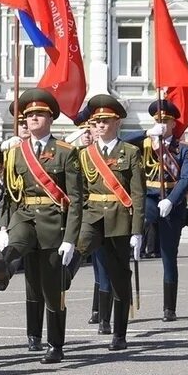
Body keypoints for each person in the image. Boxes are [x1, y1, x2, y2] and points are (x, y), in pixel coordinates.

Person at [0, 90, 82, 362]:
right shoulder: (15, 152)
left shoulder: (66, 152)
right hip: (24, 216)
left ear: (50, 118)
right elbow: (9, 194)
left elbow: (76, 198)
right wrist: (3, 228)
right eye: (28, 116)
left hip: (53, 223)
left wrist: (71, 238)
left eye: (38, 114)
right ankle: (2, 266)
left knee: (52, 289)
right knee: (17, 245)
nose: (32, 119)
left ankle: (55, 345)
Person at [73, 93, 145, 350]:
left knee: (119, 276)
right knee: (78, 246)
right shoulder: (84, 154)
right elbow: (78, 191)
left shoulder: (130, 152)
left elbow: (137, 194)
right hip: (92, 215)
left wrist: (137, 230)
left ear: (117, 123)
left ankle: (120, 334)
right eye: (97, 121)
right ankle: (63, 278)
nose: (101, 125)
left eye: (106, 121)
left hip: (119, 219)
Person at [129, 99, 188, 322]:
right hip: (149, 197)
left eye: (166, 121)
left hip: (172, 203)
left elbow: (186, 178)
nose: (162, 125)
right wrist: (147, 132)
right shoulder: (145, 143)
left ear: (174, 124)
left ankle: (169, 308)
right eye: (158, 121)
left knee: (169, 255)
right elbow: (120, 143)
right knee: (137, 230)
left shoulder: (184, 148)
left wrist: (172, 200)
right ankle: (135, 237)